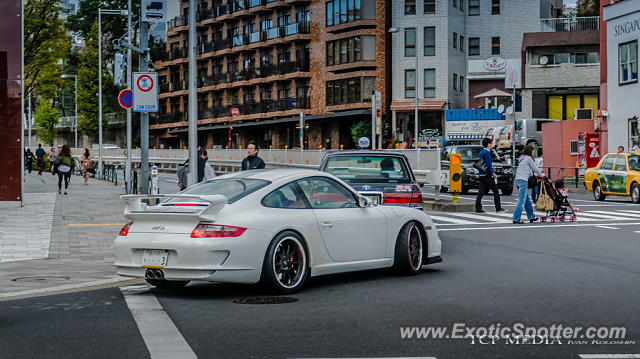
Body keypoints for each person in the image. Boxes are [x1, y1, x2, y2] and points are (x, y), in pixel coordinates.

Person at [512, 145, 544, 224]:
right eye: (533, 151)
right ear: (530, 151)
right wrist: (542, 175)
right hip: (523, 181)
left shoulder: (521, 158)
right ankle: (516, 218)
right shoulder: (529, 159)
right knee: (521, 200)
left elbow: (524, 170)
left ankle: (531, 217)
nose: (533, 153)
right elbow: (535, 169)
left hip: (517, 180)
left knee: (526, 200)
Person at [475, 138, 507, 214]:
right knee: (496, 191)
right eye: (491, 143)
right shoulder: (487, 152)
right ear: (488, 144)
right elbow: (489, 165)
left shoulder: (481, 152)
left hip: (481, 174)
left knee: (481, 192)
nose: (492, 145)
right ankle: (498, 208)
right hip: (487, 175)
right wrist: (492, 173)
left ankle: (478, 208)